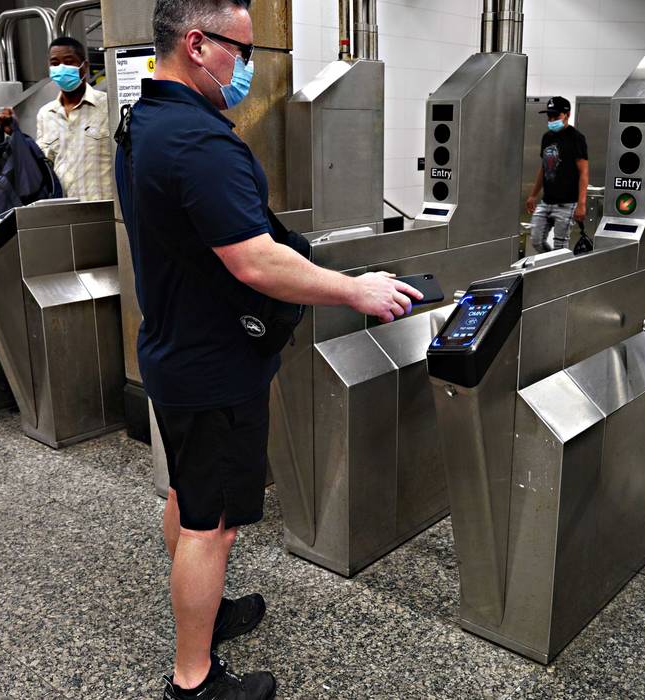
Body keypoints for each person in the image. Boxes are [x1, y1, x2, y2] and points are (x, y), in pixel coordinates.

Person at [117, 2, 423, 698]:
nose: (249, 68)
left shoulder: (142, 122)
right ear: (196, 44)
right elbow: (255, 262)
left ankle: (209, 612)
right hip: (214, 362)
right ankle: (194, 682)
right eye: (242, 50)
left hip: (173, 346)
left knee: (187, 493)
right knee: (211, 525)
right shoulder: (199, 143)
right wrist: (354, 291)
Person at [0, 37, 113, 202]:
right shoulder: (46, 114)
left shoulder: (108, 107)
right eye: (55, 63)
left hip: (104, 211)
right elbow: (41, 167)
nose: (61, 68)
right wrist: (16, 134)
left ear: (84, 67)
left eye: (68, 61)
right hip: (62, 211)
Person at [524, 96, 589, 253]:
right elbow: (544, 167)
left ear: (567, 115)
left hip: (567, 204)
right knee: (536, 240)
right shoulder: (547, 137)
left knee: (560, 248)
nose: (552, 120)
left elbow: (584, 172)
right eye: (549, 116)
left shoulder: (576, 138)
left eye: (556, 116)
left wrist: (581, 204)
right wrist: (533, 195)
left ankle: (559, 273)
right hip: (547, 201)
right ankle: (551, 267)